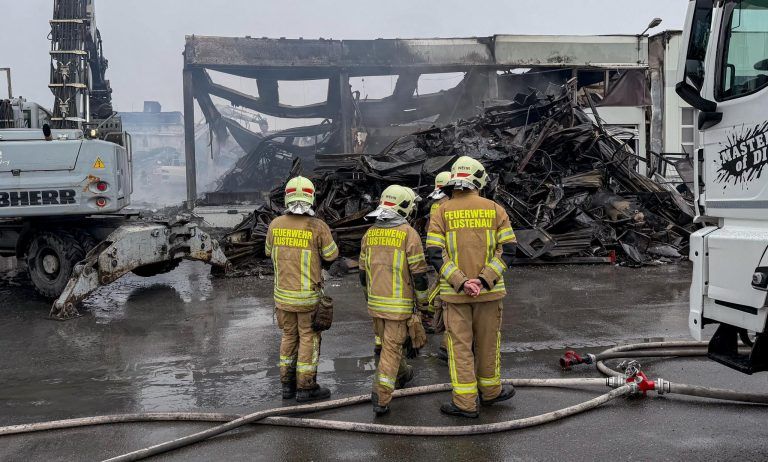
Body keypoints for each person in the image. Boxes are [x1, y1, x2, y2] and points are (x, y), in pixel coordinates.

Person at [426, 156, 517, 418]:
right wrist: (484, 279)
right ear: (479, 180)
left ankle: (465, 404)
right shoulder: (495, 209)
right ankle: (490, 393)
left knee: (460, 348)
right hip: (489, 293)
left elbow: (434, 252)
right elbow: (508, 249)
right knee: (488, 344)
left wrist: (461, 282)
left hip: (456, 297)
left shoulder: (441, 211)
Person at [265, 176, 339, 402]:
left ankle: (287, 386)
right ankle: (306, 388)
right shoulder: (317, 226)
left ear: (287, 197)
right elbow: (331, 255)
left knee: (288, 336)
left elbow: (268, 252)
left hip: (283, 298)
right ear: (311, 197)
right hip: (307, 298)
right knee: (308, 338)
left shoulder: (275, 224)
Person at [360, 185, 429, 416]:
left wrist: (368, 299)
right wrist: (423, 304)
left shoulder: (370, 233)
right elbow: (419, 275)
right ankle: (381, 396)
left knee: (389, 344)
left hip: (375, 305)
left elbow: (363, 274)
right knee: (391, 349)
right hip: (398, 308)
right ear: (405, 207)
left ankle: (402, 374)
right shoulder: (409, 234)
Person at [426, 172, 452, 352]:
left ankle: (432, 317)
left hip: (439, 251)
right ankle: (429, 313)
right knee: (443, 287)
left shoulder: (436, 204)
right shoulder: (447, 205)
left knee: (440, 285)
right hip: (448, 253)